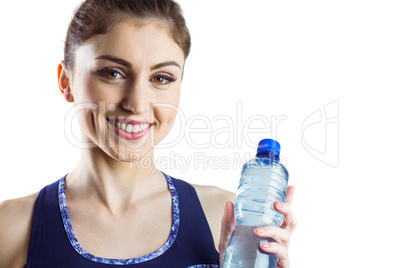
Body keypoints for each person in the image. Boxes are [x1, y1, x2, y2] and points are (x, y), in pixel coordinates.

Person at [0, 0, 297, 267]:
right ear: (66, 81)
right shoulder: (10, 228)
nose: (137, 104)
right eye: (112, 73)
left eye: (161, 78)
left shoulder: (225, 219)